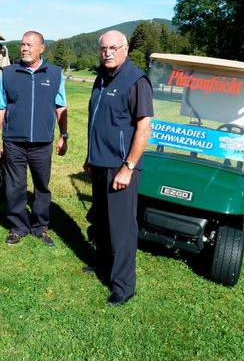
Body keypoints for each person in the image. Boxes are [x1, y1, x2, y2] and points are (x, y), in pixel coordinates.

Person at [83, 30, 153, 307]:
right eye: (103, 48)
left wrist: (128, 167)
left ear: (126, 48)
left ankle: (123, 285)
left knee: (122, 228)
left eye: (114, 47)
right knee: (101, 220)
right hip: (99, 163)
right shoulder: (101, 77)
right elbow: (97, 121)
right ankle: (103, 265)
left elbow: (144, 127)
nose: (108, 52)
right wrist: (90, 157)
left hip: (120, 167)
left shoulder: (136, 80)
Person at [0, 31, 68, 247]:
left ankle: (41, 226)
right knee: (15, 186)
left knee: (42, 186)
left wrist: (64, 135)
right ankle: (18, 227)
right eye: (22, 44)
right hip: (14, 141)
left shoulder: (55, 74)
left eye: (29, 45)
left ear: (41, 48)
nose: (24, 48)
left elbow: (61, 106)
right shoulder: (9, 73)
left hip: (43, 143)